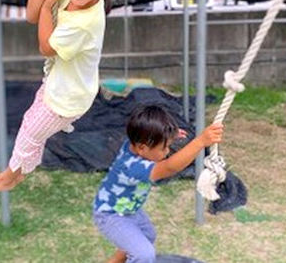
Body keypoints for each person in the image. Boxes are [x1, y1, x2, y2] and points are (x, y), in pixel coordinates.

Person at [0, 0, 116, 193]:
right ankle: (22, 167)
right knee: (31, 124)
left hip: (68, 98)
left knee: (31, 132)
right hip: (57, 84)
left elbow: (46, 47)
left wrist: (47, 8)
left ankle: (11, 175)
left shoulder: (84, 23)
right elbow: (30, 14)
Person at [93, 105, 224, 263]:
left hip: (127, 208)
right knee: (144, 255)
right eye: (164, 147)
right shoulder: (132, 167)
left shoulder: (136, 142)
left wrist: (170, 135)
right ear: (142, 148)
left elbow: (148, 132)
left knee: (147, 235)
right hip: (111, 215)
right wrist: (200, 142)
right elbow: (170, 167)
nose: (167, 151)